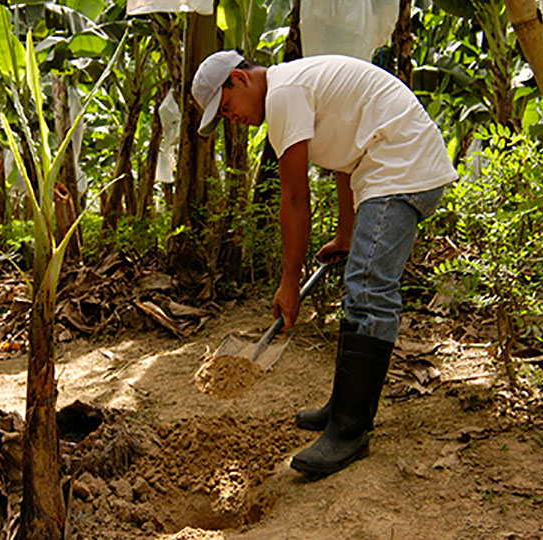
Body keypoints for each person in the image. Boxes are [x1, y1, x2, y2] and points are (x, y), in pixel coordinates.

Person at [192, 50, 457, 476]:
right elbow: (344, 160)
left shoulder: (283, 94)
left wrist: (289, 283)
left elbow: (296, 198)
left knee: (369, 290)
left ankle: (350, 431)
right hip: (383, 164)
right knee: (361, 288)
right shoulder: (293, 87)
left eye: (226, 108)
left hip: (400, 166)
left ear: (240, 79)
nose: (231, 119)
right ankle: (342, 407)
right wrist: (346, 234)